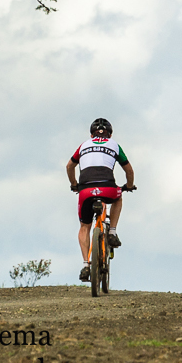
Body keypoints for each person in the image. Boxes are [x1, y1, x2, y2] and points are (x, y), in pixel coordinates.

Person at [66, 117, 135, 283]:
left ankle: (85, 265)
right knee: (118, 197)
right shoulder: (115, 145)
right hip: (108, 188)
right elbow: (129, 170)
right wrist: (129, 185)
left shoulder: (83, 145)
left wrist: (74, 184)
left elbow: (69, 166)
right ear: (110, 134)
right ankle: (112, 231)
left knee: (84, 226)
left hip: (86, 190)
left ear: (91, 135)